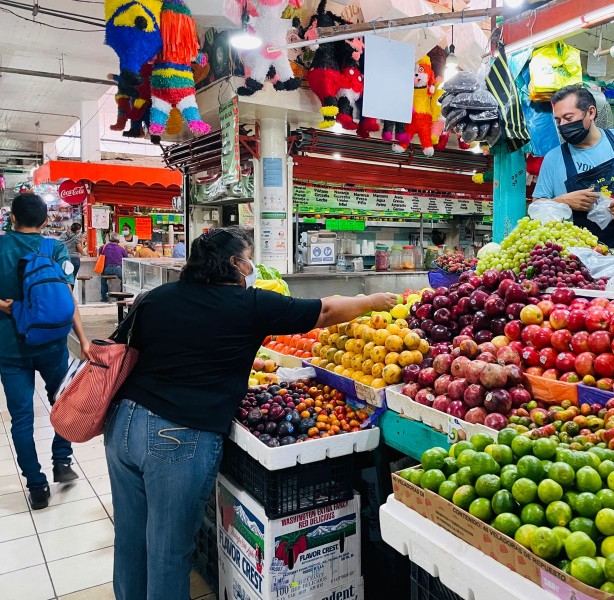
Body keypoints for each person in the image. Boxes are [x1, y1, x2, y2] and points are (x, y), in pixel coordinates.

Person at [105, 227, 397, 599]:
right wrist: (372, 300)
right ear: (235, 264)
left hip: (123, 426)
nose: (252, 265)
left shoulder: (156, 297)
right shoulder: (250, 305)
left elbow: (124, 351)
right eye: (249, 257)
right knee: (168, 550)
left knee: (130, 538)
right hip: (177, 436)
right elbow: (324, 311)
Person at [0, 194, 90, 509]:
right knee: (63, 403)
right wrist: (83, 339)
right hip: (53, 344)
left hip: (10, 346)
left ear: (12, 218)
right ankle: (62, 459)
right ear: (44, 221)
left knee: (22, 417)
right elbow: (66, 298)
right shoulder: (57, 249)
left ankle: (37, 487)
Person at [532, 85, 614, 247]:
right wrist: (561, 201)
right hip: (581, 255)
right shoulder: (553, 158)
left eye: (568, 118)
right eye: (558, 120)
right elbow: (536, 207)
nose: (563, 125)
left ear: (591, 112)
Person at [99, 233, 128, 302]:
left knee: (103, 280)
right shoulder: (121, 248)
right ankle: (121, 297)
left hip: (107, 268)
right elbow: (126, 258)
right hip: (118, 268)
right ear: (118, 240)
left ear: (110, 239)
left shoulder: (103, 247)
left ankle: (104, 298)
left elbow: (100, 255)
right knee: (125, 280)